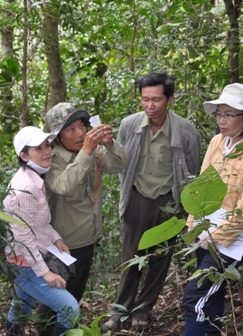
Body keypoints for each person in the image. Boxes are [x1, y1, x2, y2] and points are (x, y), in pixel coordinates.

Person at [101, 71, 201, 332]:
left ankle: (143, 310)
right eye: (145, 99)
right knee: (130, 259)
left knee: (159, 260)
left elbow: (192, 171)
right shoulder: (129, 125)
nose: (150, 106)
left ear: (170, 99)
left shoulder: (186, 131)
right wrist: (110, 145)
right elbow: (118, 165)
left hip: (169, 203)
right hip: (137, 199)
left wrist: (187, 211)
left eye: (156, 99)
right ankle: (120, 311)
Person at [182, 83, 243, 336]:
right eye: (219, 114)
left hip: (233, 237)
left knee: (197, 297)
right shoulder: (217, 143)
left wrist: (216, 236)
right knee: (212, 295)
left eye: (230, 114)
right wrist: (194, 227)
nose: (222, 120)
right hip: (206, 232)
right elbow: (201, 186)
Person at [44, 103, 126, 302]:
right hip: (62, 245)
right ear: (57, 136)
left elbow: (118, 165)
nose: (80, 133)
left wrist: (109, 143)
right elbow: (63, 186)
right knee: (58, 301)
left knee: (74, 295)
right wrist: (86, 153)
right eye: (71, 129)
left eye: (82, 126)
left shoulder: (93, 151)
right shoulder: (50, 159)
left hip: (87, 239)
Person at [4, 126, 79, 336]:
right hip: (26, 264)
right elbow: (23, 236)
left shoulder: (35, 179)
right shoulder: (25, 187)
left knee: (21, 308)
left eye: (47, 145)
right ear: (24, 155)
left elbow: (38, 223)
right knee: (70, 308)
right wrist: (45, 274)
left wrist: (57, 240)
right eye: (38, 148)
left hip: (31, 258)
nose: (47, 151)